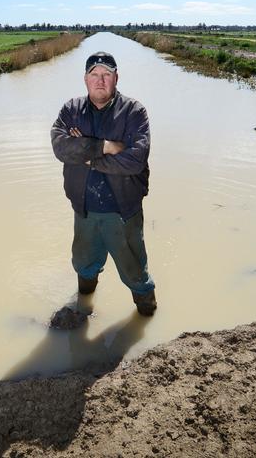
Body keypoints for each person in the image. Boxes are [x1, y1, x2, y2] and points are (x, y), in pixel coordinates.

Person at [50, 51, 156, 316]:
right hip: (84, 210)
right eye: (94, 75)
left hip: (123, 213)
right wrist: (105, 147)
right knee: (84, 264)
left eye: (106, 75)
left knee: (135, 273)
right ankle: (84, 306)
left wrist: (86, 156)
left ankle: (147, 312)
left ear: (116, 78)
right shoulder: (71, 110)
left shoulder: (134, 112)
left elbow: (135, 161)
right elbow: (61, 148)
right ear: (85, 79)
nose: (100, 80)